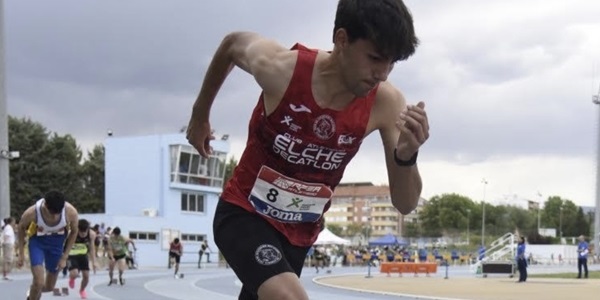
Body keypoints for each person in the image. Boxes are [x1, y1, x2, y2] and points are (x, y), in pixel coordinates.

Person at [185, 0, 428, 298]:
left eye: (391, 63)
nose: (383, 74)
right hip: (244, 213)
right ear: (341, 39)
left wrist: (406, 156)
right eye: (375, 58)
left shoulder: (386, 103)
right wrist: (200, 115)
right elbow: (232, 44)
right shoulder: (281, 70)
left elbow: (405, 204)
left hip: (299, 235)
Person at [16, 190, 79, 300]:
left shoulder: (71, 212)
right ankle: (34, 291)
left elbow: (74, 232)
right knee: (39, 282)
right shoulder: (32, 213)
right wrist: (21, 253)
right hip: (38, 243)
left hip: (56, 245)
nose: (55, 217)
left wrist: (64, 257)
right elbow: (21, 228)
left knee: (49, 287)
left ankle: (32, 291)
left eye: (58, 213)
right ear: (45, 205)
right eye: (52, 213)